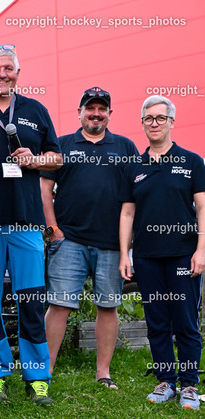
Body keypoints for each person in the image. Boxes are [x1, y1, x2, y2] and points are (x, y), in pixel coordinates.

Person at [0, 45, 61, 405]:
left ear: (18, 74)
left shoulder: (36, 110)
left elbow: (57, 158)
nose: (2, 74)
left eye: (8, 68)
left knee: (31, 302)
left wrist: (35, 160)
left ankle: (37, 378)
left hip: (27, 223)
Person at [42, 87, 139, 390]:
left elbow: (135, 194)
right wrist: (53, 230)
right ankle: (44, 372)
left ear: (109, 113)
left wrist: (127, 243)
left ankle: (103, 373)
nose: (96, 114)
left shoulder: (125, 146)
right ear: (80, 112)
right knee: (59, 305)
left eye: (102, 109)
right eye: (90, 108)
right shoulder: (61, 144)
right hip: (69, 240)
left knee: (107, 306)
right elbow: (44, 188)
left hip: (111, 243)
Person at [119, 95, 205, 410]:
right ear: (142, 123)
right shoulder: (134, 167)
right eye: (148, 118)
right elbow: (127, 213)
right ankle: (166, 381)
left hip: (184, 255)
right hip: (146, 256)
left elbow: (202, 208)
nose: (154, 123)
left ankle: (189, 385)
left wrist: (201, 250)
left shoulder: (192, 161)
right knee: (156, 321)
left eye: (160, 118)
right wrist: (124, 254)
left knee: (185, 321)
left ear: (171, 122)